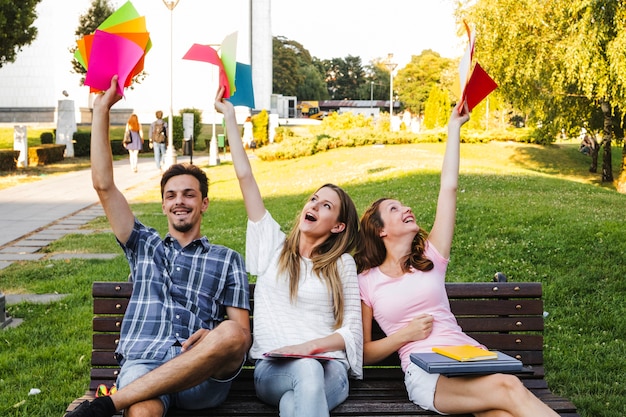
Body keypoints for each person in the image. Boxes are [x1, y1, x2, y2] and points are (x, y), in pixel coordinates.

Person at [354, 102, 560, 417]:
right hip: (426, 371)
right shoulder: (367, 281)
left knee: (503, 414)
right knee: (509, 387)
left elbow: (449, 189)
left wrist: (454, 128)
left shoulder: (430, 258)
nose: (406, 208)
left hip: (469, 359)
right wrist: (405, 335)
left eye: (403, 205)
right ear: (380, 231)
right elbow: (365, 351)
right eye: (394, 209)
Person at [66, 76, 251, 417]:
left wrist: (210, 337)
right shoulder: (142, 244)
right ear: (164, 205)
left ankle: (107, 405)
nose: (179, 202)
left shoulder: (227, 259)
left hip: (201, 373)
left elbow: (242, 339)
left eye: (189, 194)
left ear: (205, 203)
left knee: (231, 333)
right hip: (143, 363)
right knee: (143, 410)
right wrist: (101, 109)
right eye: (171, 196)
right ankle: (123, 402)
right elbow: (103, 185)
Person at [214, 85, 363, 417]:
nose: (314, 206)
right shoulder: (274, 246)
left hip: (330, 371)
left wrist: (307, 349)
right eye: (314, 199)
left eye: (327, 206)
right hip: (273, 369)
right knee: (302, 376)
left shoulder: (342, 264)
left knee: (294, 402)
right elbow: (245, 178)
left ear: (338, 225)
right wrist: (229, 117)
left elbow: (352, 332)